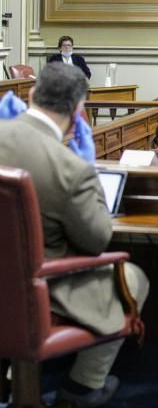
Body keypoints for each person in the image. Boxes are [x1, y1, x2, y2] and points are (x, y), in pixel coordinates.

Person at [0, 63, 149, 407]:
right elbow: (95, 241)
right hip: (34, 292)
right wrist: (91, 178)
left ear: (32, 95)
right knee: (134, 277)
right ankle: (82, 388)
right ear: (79, 110)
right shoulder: (71, 168)